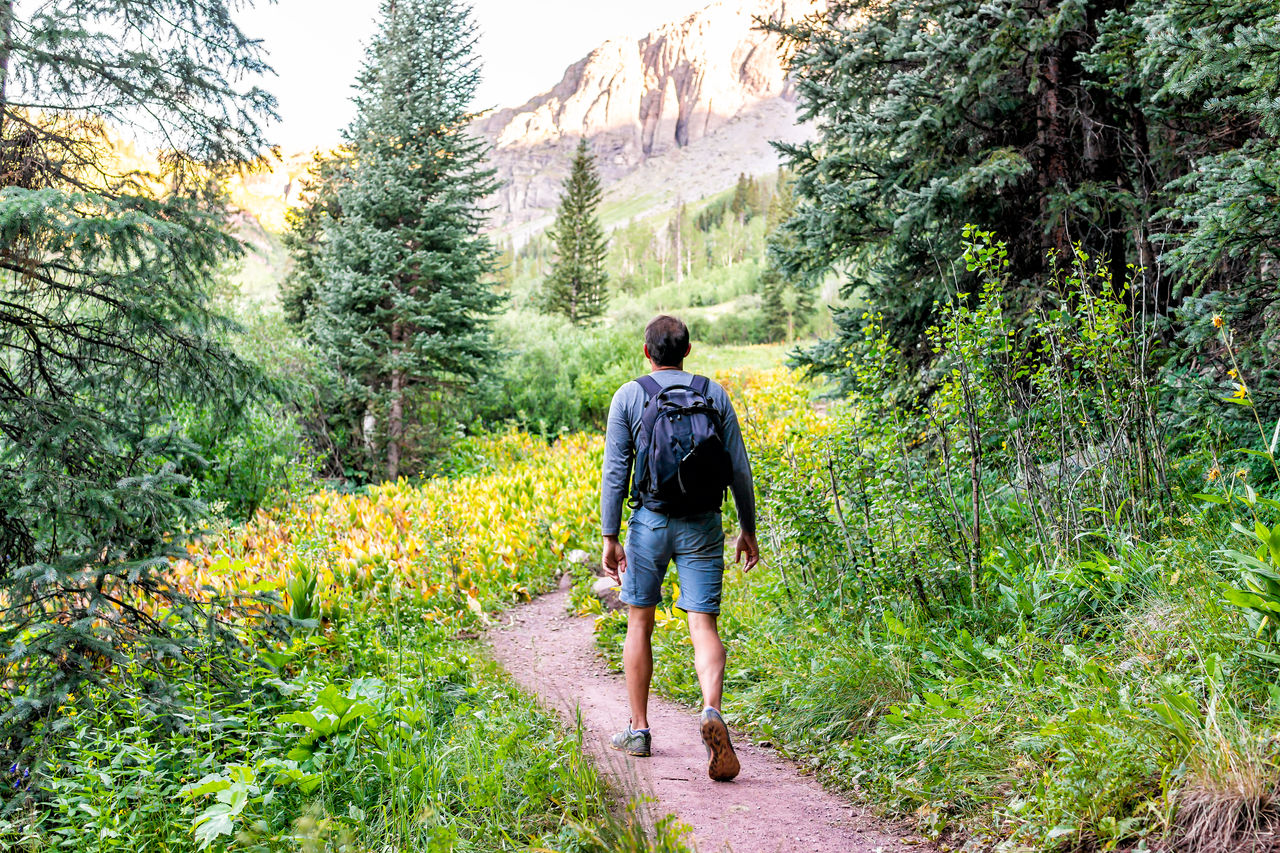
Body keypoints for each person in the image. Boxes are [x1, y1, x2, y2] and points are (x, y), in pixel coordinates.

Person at [600, 314, 760, 782]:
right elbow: (739, 470)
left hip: (649, 522)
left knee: (639, 619)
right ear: (688, 351)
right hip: (704, 524)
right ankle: (711, 709)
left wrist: (611, 536)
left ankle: (640, 730)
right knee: (703, 622)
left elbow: (615, 472)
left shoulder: (629, 396)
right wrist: (747, 528)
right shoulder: (713, 393)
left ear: (646, 352)